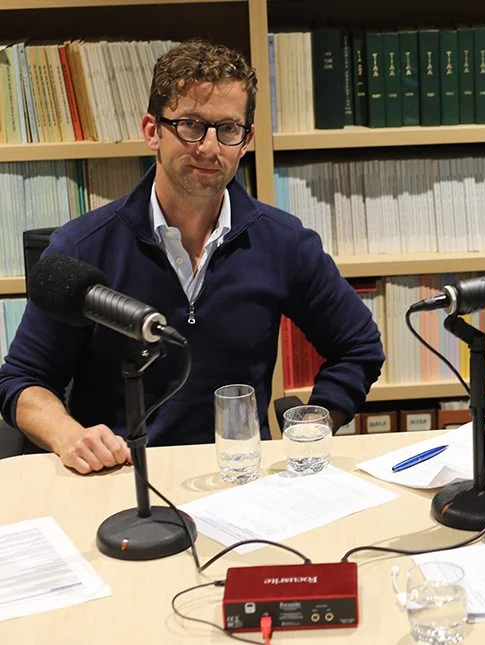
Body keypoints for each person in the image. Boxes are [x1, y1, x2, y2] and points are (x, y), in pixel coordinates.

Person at [0, 40, 384, 474]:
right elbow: (22, 381)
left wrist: (314, 423)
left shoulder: (283, 242)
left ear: (246, 141)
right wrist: (70, 437)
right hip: (118, 477)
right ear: (152, 131)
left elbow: (359, 347)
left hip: (238, 476)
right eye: (191, 126)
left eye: (228, 130)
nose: (208, 147)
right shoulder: (82, 247)